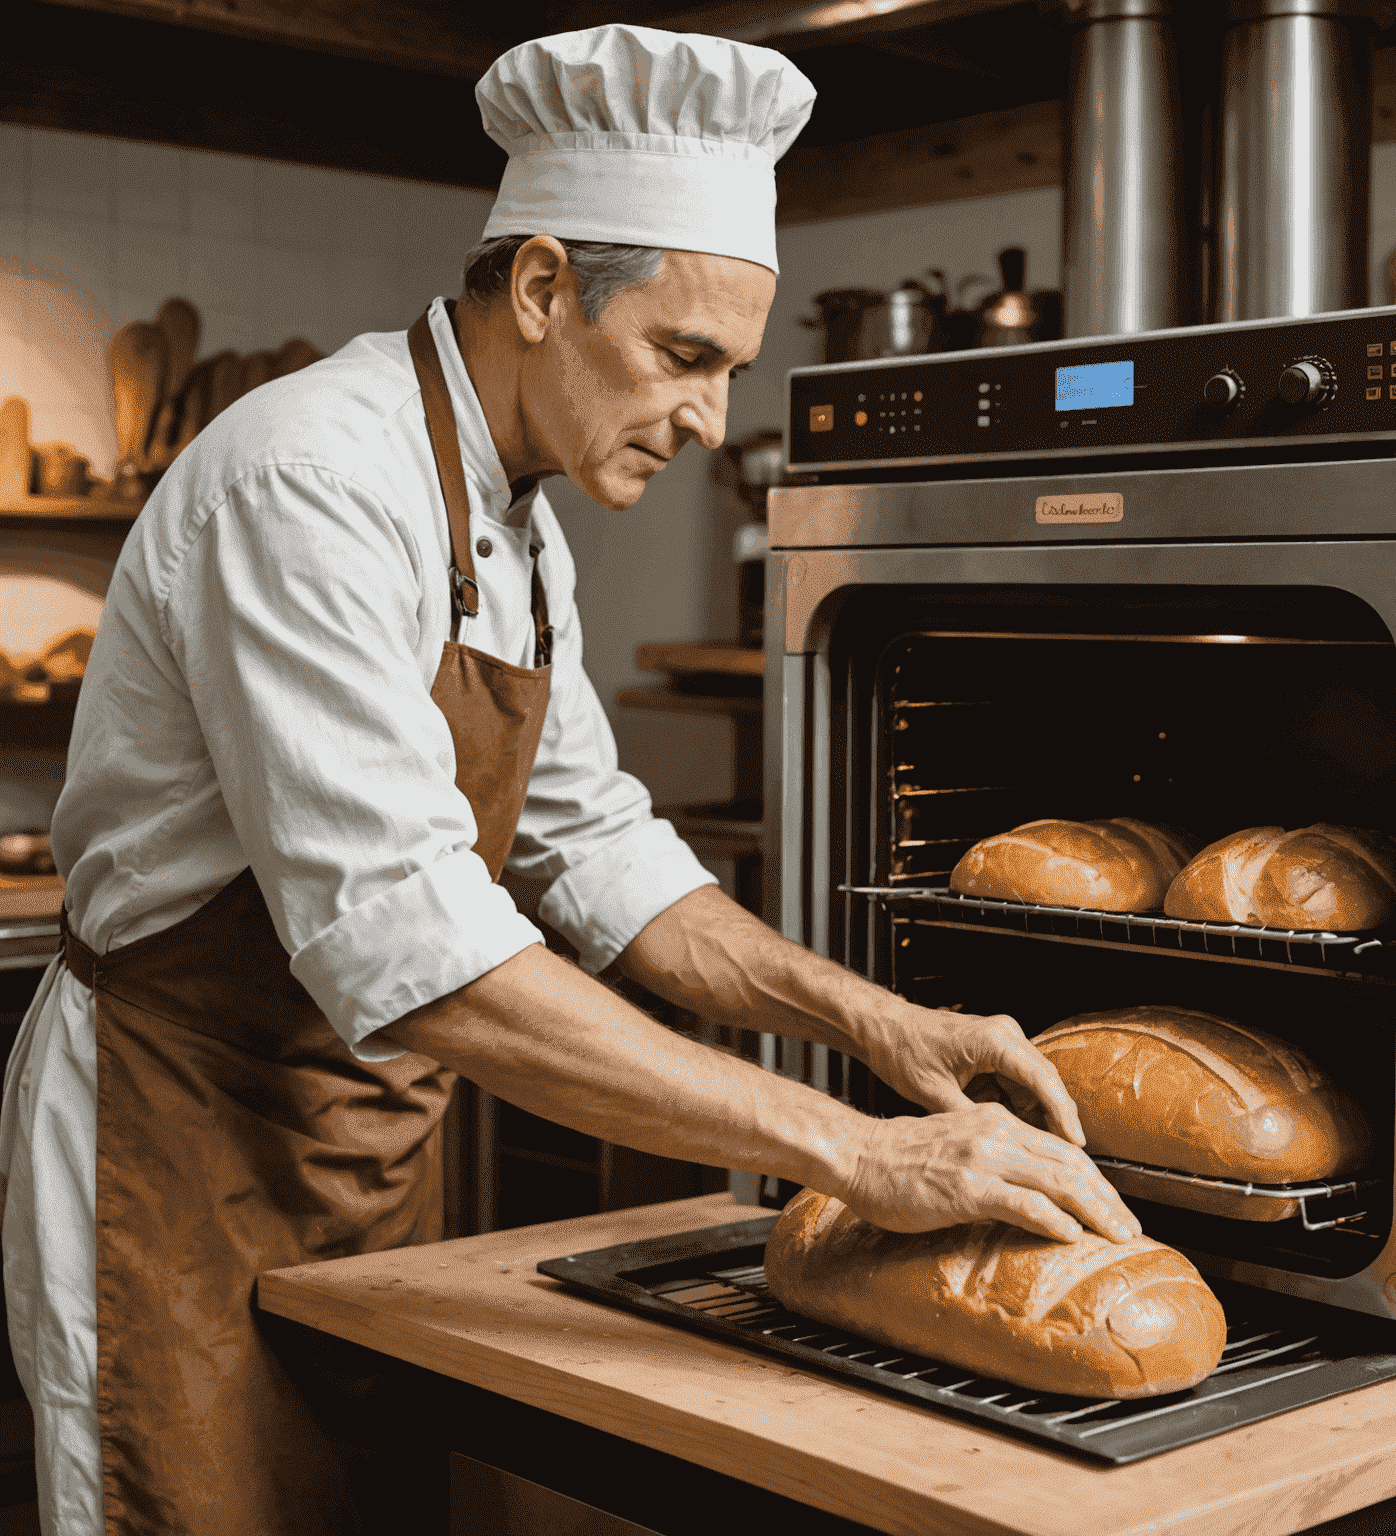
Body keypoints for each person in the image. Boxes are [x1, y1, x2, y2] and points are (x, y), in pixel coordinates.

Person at [0, 23, 1138, 1533]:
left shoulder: (519, 523)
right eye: (684, 357)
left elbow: (599, 852)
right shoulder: (310, 486)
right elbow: (416, 948)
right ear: (542, 288)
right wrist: (859, 1150)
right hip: (171, 1149)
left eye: (732, 368)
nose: (713, 418)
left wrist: (873, 1021)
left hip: (355, 1161)